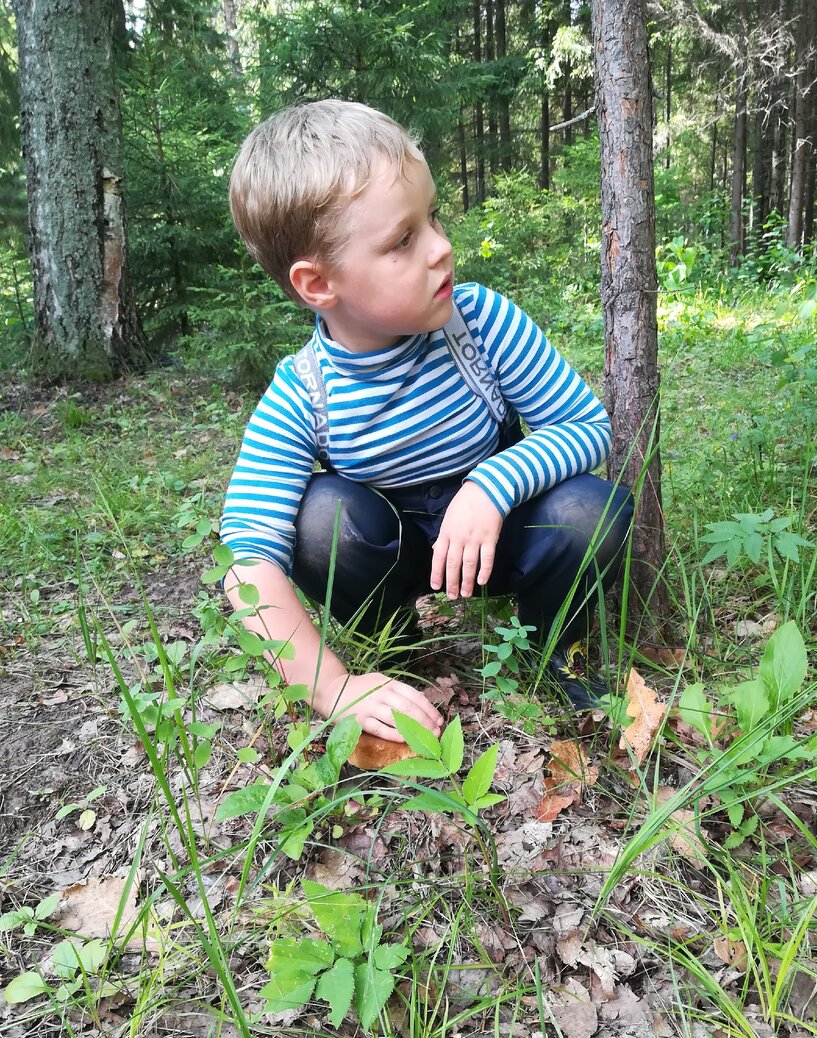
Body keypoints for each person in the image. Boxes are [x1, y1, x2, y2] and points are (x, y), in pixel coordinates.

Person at [221, 99, 633, 743]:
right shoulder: (304, 392)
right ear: (318, 283)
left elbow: (586, 427)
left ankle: (549, 646)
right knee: (320, 522)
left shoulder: (481, 323)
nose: (442, 248)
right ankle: (397, 653)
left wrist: (492, 486)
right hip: (397, 552)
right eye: (402, 241)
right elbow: (249, 561)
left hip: (497, 535)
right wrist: (330, 686)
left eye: (432, 218)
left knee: (592, 511)